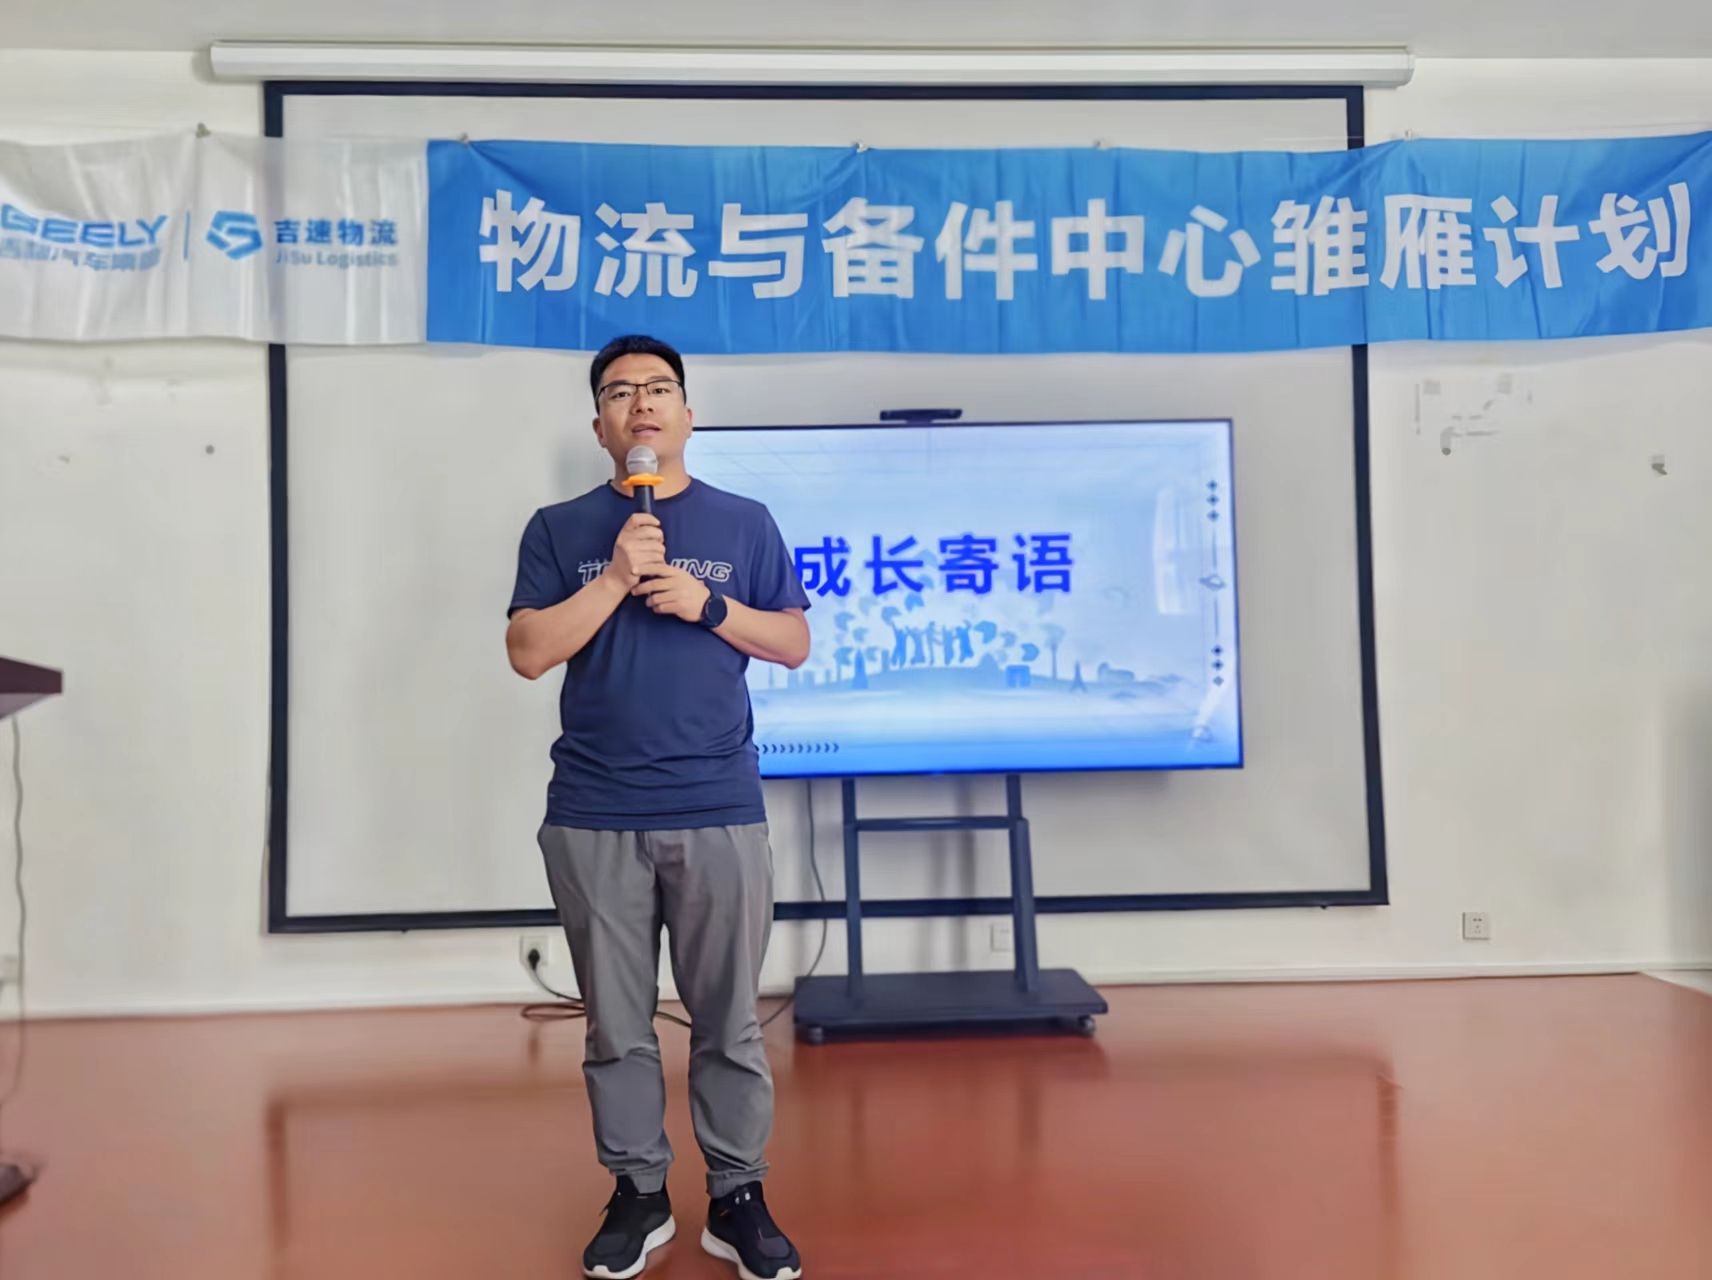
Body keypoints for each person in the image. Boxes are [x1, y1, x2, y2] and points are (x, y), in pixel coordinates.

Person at [505, 334, 811, 1280]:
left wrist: (708, 607)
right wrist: (613, 578)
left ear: (687, 414)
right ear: (601, 425)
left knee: (729, 1020)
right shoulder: (559, 529)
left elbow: (793, 641)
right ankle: (638, 1192)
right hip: (594, 811)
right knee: (617, 1025)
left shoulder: (744, 522)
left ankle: (737, 1194)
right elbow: (528, 652)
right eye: (620, 391)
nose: (641, 402)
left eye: (659, 388)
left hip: (718, 805)